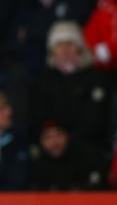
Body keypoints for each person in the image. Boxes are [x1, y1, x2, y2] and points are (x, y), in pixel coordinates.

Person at [35, 21, 110, 151]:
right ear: (52, 49)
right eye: (59, 44)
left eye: (69, 43)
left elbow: (98, 118)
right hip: (56, 150)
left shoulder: (96, 77)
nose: (64, 49)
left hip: (92, 148)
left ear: (79, 47)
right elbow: (41, 116)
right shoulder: (45, 79)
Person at [31, 120, 109, 191]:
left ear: (67, 136)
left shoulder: (87, 158)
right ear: (41, 141)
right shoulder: (37, 165)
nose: (54, 142)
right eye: (48, 137)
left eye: (58, 135)